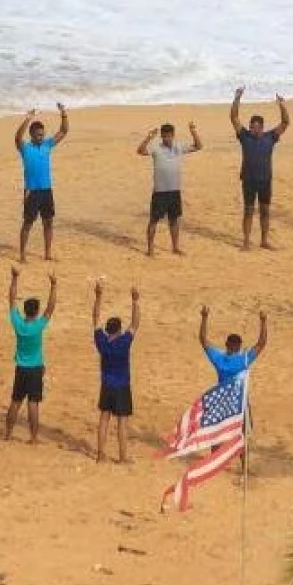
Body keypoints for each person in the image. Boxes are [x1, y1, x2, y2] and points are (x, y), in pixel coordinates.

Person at [230, 87, 290, 251]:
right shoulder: (244, 136)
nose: (253, 129)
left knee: (265, 211)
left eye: (256, 127)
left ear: (262, 127)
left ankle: (264, 240)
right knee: (248, 211)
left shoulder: (270, 137)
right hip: (248, 181)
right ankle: (246, 242)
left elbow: (285, 123)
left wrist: (282, 105)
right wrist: (237, 98)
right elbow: (234, 117)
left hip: (265, 180)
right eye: (251, 126)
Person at [5, 268, 56, 444]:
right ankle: (33, 437)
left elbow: (11, 301)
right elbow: (50, 309)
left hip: (20, 368)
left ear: (25, 311)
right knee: (33, 404)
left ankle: (8, 434)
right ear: (36, 312)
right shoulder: (38, 326)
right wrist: (54, 286)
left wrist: (14, 278)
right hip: (35, 369)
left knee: (15, 401)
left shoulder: (18, 323)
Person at [137, 121, 202, 256]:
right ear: (161, 136)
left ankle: (175, 247)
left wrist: (193, 131)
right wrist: (149, 137)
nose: (167, 138)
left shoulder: (179, 147)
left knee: (174, 220)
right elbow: (140, 151)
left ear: (173, 135)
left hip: (174, 191)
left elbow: (198, 146)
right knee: (154, 220)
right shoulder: (156, 149)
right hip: (160, 192)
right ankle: (150, 249)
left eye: (169, 136)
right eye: (165, 136)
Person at [92, 281, 140, 463]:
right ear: (119, 329)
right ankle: (122, 457)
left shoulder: (101, 341)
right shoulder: (123, 342)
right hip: (121, 386)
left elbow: (94, 318)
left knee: (104, 418)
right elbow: (135, 323)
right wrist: (135, 301)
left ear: (107, 330)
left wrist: (98, 297)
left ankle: (100, 454)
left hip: (106, 385)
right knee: (122, 422)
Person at [15, 103, 69, 263]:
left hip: (46, 190)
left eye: (42, 134)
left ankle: (47, 253)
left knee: (48, 222)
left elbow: (64, 131)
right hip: (31, 191)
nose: (41, 137)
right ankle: (22, 255)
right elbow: (17, 137)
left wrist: (63, 113)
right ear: (31, 135)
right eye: (38, 135)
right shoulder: (25, 147)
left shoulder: (47, 145)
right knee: (28, 223)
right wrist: (28, 118)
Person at [199, 305, 268, 387]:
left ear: (226, 344)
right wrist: (263, 321)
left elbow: (203, 340)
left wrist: (204, 317)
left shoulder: (219, 359)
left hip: (223, 397)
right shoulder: (244, 360)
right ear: (239, 346)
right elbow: (261, 343)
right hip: (239, 399)